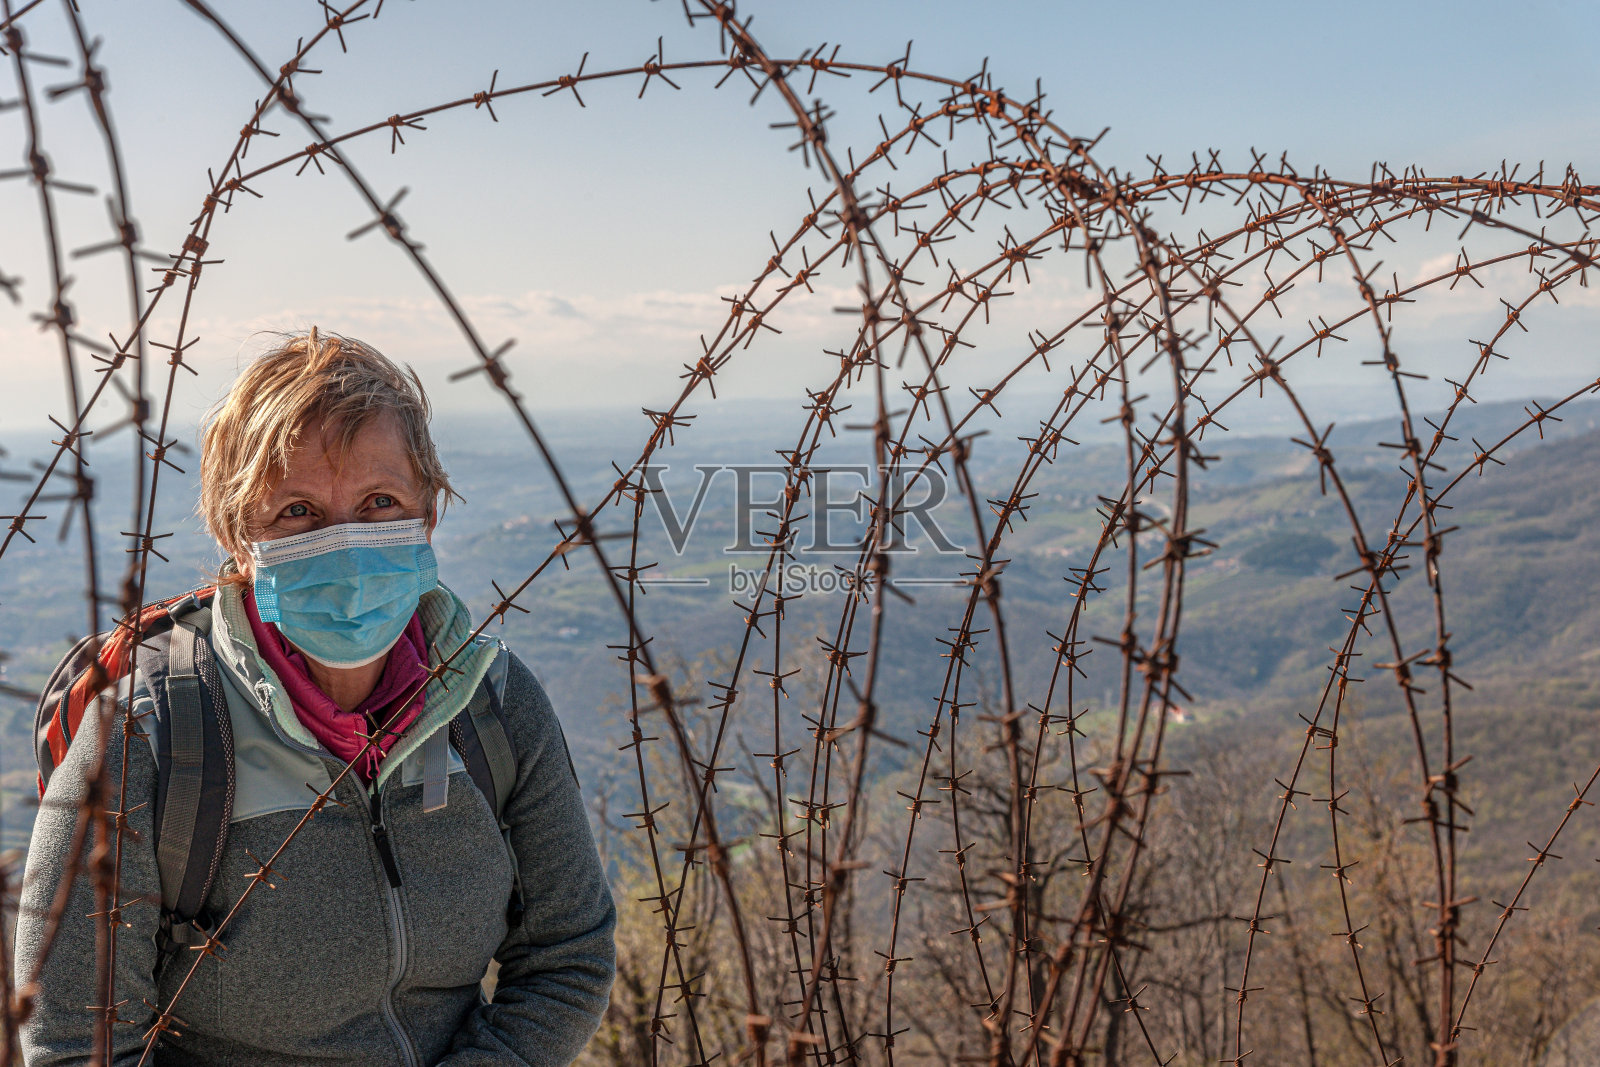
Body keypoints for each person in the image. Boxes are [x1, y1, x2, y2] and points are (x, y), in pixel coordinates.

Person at [16, 330, 616, 1066]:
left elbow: (568, 957)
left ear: (429, 513)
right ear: (240, 539)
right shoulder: (155, 735)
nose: (346, 543)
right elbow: (78, 1042)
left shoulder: (490, 702)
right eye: (298, 510)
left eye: (379, 500)